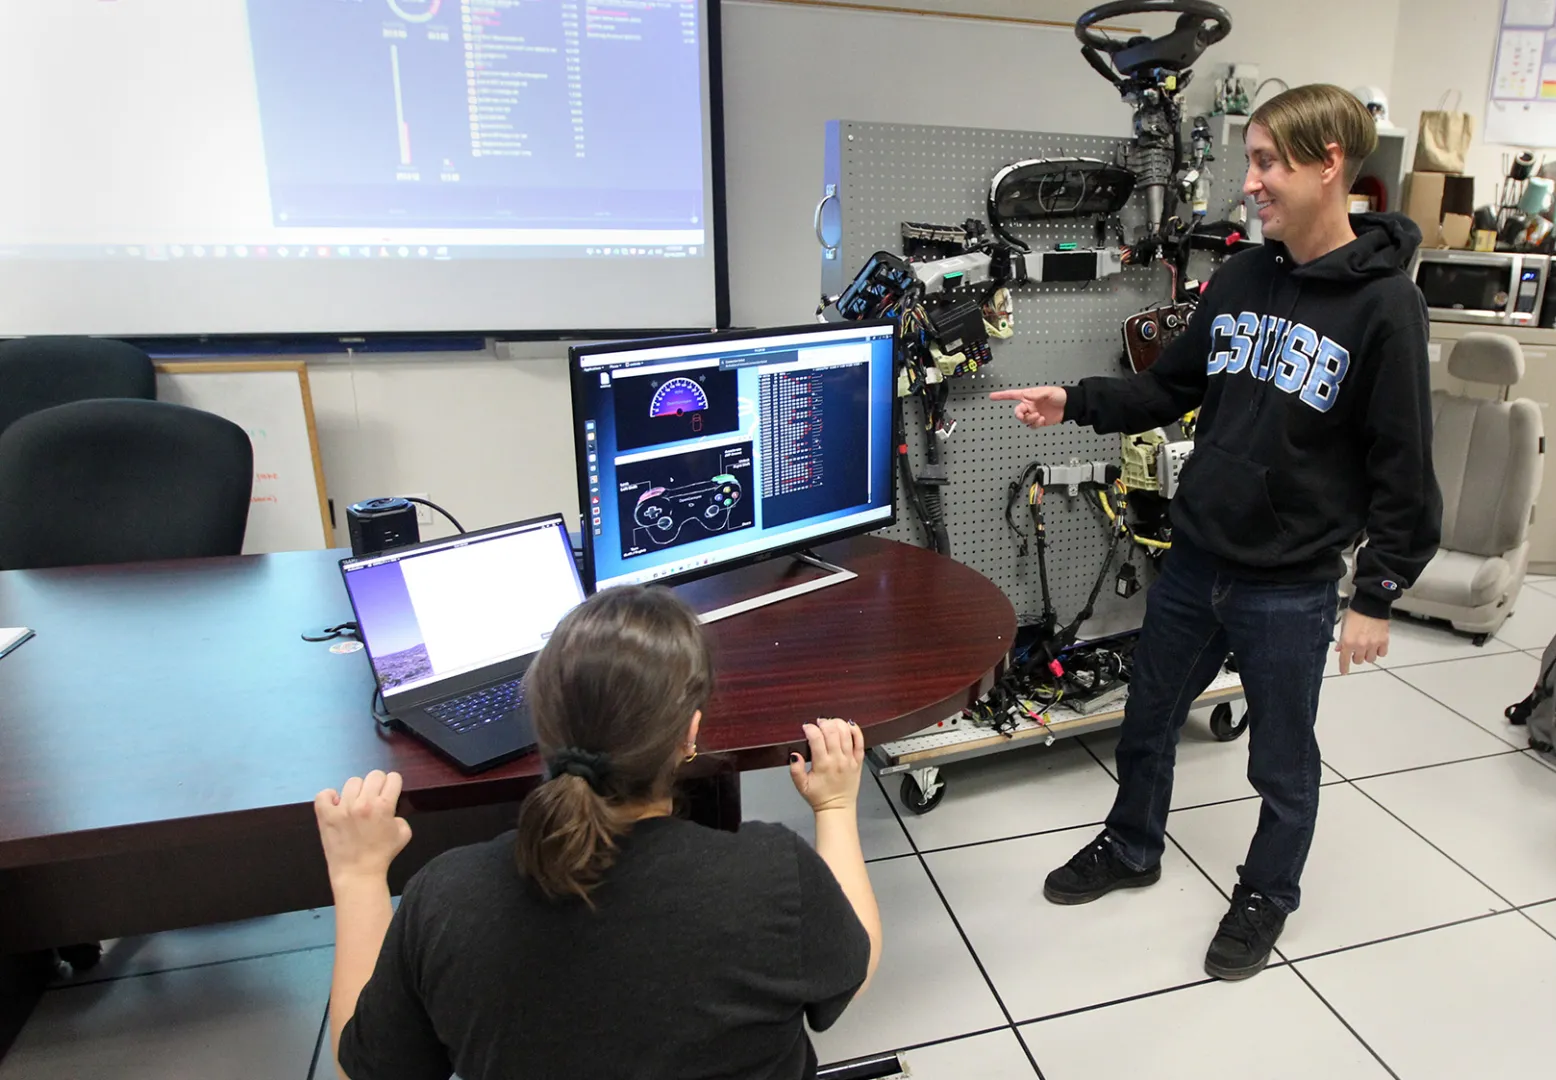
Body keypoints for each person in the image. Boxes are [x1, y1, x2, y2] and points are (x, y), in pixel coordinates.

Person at [991, 84, 1441, 981]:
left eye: (1269, 162)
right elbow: (1169, 387)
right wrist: (1074, 400)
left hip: (1291, 582)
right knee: (1147, 719)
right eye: (1250, 161)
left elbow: (1405, 465)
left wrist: (1379, 593)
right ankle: (1132, 846)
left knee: (1282, 761)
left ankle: (1267, 894)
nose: (1250, 182)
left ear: (1329, 165)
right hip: (1197, 559)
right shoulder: (1239, 278)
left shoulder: (1387, 306)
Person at [312, 586, 882, 1080]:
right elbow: (851, 969)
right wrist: (834, 806)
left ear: (542, 729)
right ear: (689, 734)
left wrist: (358, 875)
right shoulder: (772, 874)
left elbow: (368, 1070)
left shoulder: (445, 900)